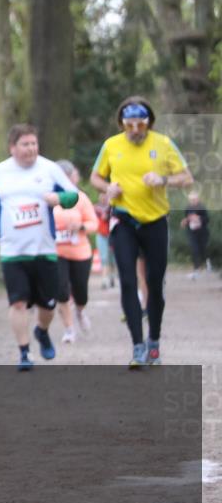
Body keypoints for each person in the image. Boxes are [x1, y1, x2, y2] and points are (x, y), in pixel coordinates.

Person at [90, 96, 193, 367]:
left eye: (140, 125)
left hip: (155, 221)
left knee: (155, 283)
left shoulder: (163, 144)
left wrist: (163, 179)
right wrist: (107, 188)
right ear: (122, 123)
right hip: (123, 220)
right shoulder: (111, 145)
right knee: (127, 281)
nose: (135, 130)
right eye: (129, 125)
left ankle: (154, 342)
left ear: (149, 123)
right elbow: (95, 177)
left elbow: (187, 177)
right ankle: (137, 346)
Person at [0, 124, 79, 370]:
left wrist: (59, 198)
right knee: (18, 303)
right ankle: (24, 352)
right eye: (25, 144)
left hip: (44, 249)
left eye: (34, 143)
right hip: (12, 251)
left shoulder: (49, 169)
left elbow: (73, 195)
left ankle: (42, 331)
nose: (31, 148)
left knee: (48, 305)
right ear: (12, 148)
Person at [53, 160, 98, 342]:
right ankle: (69, 329)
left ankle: (80, 311)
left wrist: (80, 226)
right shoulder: (49, 198)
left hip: (80, 252)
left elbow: (94, 224)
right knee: (61, 291)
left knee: (81, 293)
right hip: (56, 252)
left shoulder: (80, 198)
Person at [181, 191, 211, 278]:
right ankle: (196, 270)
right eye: (191, 199)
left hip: (202, 232)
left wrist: (199, 218)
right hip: (192, 233)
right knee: (194, 249)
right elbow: (187, 219)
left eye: (194, 199)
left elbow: (207, 219)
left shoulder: (202, 208)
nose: (193, 201)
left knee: (203, 249)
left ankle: (208, 263)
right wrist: (184, 222)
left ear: (198, 199)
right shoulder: (188, 208)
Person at [94, 194, 117, 289]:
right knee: (104, 257)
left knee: (112, 259)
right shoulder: (96, 208)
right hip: (101, 235)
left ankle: (112, 276)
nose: (103, 198)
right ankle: (104, 279)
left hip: (112, 235)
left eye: (105, 196)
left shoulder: (112, 208)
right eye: (101, 196)